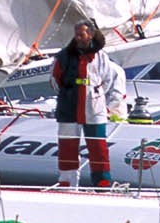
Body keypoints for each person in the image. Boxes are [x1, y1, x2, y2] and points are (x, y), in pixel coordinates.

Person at [52, 20, 126, 187]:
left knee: (98, 145)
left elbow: (107, 79)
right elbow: (55, 79)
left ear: (90, 35)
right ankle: (67, 182)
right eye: (76, 34)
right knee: (67, 145)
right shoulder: (63, 56)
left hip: (94, 106)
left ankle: (102, 181)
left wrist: (97, 94)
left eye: (81, 34)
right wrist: (67, 92)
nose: (78, 37)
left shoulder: (101, 56)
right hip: (68, 105)